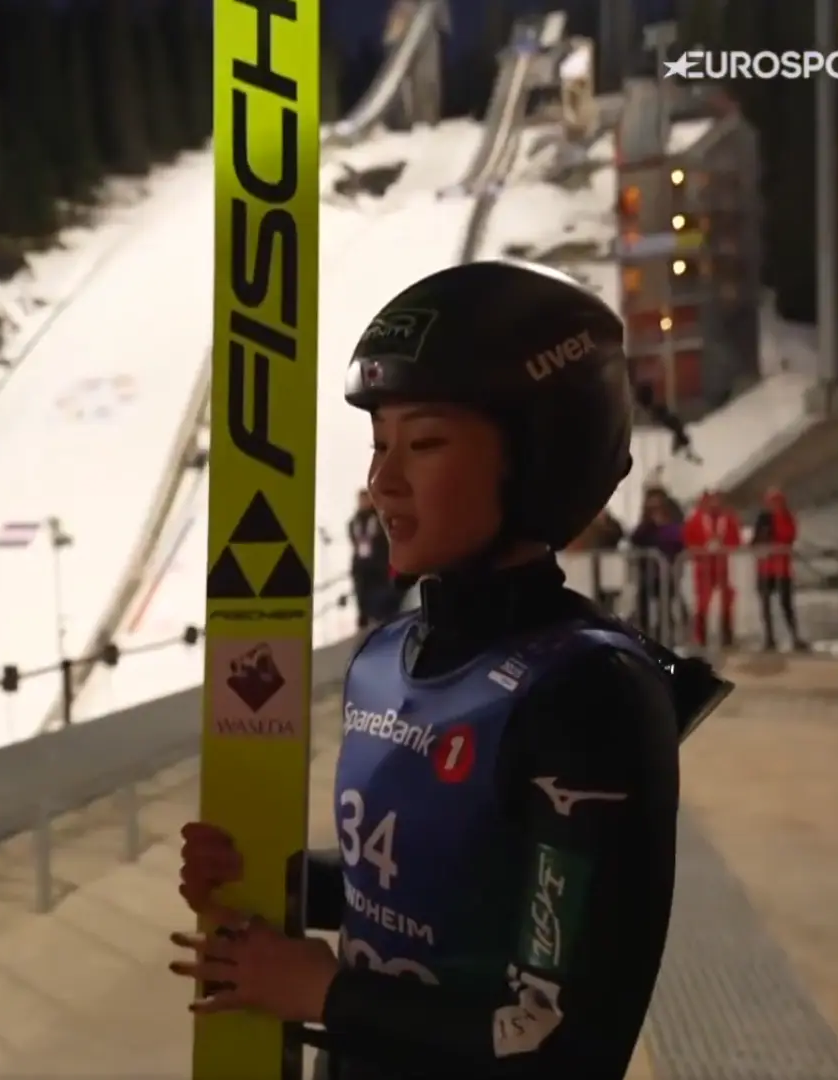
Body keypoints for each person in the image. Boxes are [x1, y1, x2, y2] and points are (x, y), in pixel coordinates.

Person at [170, 261, 730, 1080]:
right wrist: (270, 881)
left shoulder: (588, 693)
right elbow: (430, 896)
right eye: (378, 444)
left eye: (424, 442)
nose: (382, 481)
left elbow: (562, 1040)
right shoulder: (384, 658)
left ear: (540, 457)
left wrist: (323, 993)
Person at [751, 488, 809, 651]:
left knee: (786, 604)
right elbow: (755, 541)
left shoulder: (787, 517)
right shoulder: (762, 519)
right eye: (771, 502)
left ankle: (794, 637)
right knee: (766, 604)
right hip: (765, 568)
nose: (773, 505)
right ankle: (769, 638)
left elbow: (789, 536)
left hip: (782, 567)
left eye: (776, 501)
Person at [683, 489, 742, 648]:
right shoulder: (695, 520)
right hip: (703, 567)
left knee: (726, 602)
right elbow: (689, 540)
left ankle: (727, 637)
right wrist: (702, 548)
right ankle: (700, 638)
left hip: (723, 566)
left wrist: (724, 547)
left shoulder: (728, 519)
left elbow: (736, 539)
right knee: (702, 603)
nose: (714, 504)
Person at [628, 490, 687, 642]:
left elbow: (677, 541)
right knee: (643, 605)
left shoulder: (673, 523)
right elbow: (635, 538)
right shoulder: (646, 527)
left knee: (666, 607)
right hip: (648, 573)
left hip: (668, 573)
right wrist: (650, 524)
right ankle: (644, 635)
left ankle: (667, 637)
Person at [349, 488, 395, 630]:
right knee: (362, 597)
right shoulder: (354, 522)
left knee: (380, 600)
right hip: (361, 567)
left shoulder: (379, 519)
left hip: (378, 566)